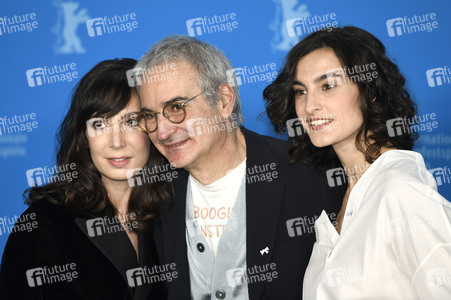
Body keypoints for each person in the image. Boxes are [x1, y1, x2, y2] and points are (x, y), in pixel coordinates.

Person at [132, 35, 345, 299]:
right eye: (150, 116)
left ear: (223, 100)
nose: (162, 132)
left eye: (176, 107)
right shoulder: (155, 196)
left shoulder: (312, 178)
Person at [263, 26, 451, 299]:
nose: (309, 106)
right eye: (301, 92)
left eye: (327, 86)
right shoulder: (343, 195)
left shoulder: (401, 193)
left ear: (370, 91)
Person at [0, 58, 169, 299]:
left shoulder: (169, 215)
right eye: (100, 124)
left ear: (152, 129)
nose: (116, 142)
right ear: (83, 136)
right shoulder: (42, 225)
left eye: (131, 121)